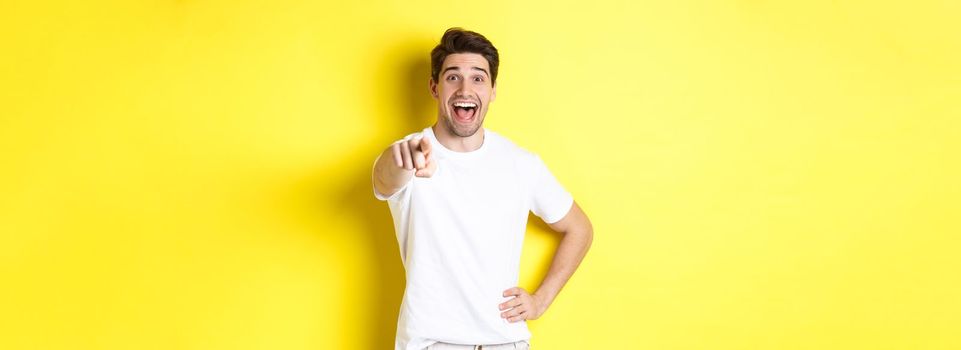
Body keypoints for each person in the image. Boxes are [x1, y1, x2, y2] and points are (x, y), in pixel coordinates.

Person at [372, 28, 594, 350]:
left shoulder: (521, 164)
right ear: (435, 87)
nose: (465, 88)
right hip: (431, 344)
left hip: (505, 343)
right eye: (452, 77)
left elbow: (580, 229)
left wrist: (540, 301)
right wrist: (404, 160)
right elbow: (384, 178)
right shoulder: (410, 153)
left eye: (478, 78)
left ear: (492, 91)